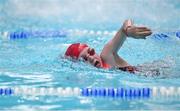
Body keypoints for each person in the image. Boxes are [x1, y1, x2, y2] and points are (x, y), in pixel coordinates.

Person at [64, 19, 152, 74]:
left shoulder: (106, 55)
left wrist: (128, 30)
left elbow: (127, 21)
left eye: (90, 52)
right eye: (84, 59)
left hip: (154, 70)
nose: (91, 58)